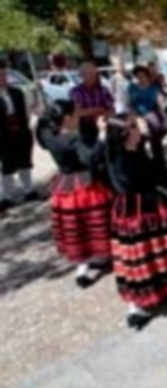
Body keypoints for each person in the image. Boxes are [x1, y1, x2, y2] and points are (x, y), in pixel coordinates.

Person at [103, 115, 167, 330]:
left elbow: (155, 173)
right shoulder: (121, 157)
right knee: (138, 256)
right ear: (126, 133)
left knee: (157, 252)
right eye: (135, 125)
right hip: (138, 211)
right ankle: (136, 304)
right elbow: (146, 179)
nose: (140, 127)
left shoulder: (133, 149)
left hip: (142, 206)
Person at [36, 100, 113, 288]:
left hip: (64, 185)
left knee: (75, 228)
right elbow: (90, 158)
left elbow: (41, 130)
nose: (80, 114)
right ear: (67, 118)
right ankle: (101, 256)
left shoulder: (48, 135)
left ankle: (82, 265)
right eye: (76, 112)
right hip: (84, 185)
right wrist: (102, 135)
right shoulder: (72, 138)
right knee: (94, 222)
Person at [0, 60, 38, 211]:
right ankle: (6, 197)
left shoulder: (17, 92)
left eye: (4, 75)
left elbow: (26, 112)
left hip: (20, 131)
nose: (3, 78)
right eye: (0, 75)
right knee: (7, 166)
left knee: (25, 162)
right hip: (3, 135)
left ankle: (28, 191)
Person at [127, 65, 167, 177]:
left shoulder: (154, 88)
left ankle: (161, 170)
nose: (140, 79)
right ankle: (145, 170)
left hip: (152, 116)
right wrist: (136, 118)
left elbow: (160, 103)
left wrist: (164, 111)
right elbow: (131, 105)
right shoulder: (132, 88)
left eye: (142, 76)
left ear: (147, 76)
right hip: (137, 117)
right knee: (139, 145)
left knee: (156, 145)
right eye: (137, 76)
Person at [70, 61, 114, 145]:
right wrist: (96, 109)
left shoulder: (103, 90)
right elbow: (77, 112)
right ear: (82, 76)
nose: (93, 76)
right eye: (89, 73)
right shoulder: (76, 92)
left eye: (94, 73)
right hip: (85, 127)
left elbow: (112, 109)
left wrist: (105, 114)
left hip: (103, 124)